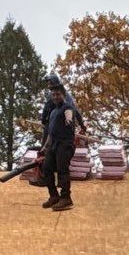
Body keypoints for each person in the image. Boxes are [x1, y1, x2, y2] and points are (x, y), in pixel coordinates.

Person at [40, 74, 81, 211]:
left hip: (65, 144)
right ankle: (54, 196)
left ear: (63, 95)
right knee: (46, 167)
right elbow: (51, 132)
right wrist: (45, 147)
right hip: (54, 144)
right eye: (54, 95)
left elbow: (70, 114)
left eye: (58, 94)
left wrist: (69, 120)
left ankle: (66, 198)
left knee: (63, 170)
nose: (56, 97)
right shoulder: (53, 112)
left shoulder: (67, 107)